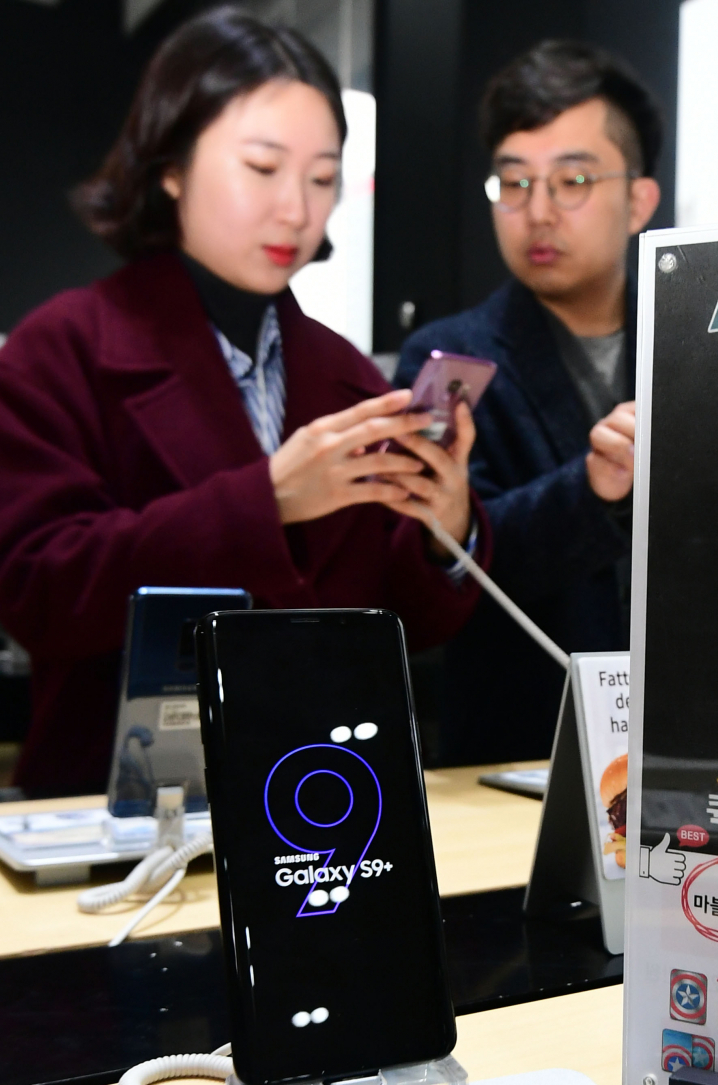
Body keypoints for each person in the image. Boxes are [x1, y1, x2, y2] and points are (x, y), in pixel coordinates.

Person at [0, 8, 488, 798]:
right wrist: (265, 502)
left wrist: (446, 529)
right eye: (262, 168)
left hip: (323, 799)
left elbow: (408, 622)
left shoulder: (346, 374)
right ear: (170, 167)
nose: (296, 209)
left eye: (322, 178)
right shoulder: (62, 348)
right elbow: (37, 592)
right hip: (119, 809)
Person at [397, 40, 661, 764]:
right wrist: (592, 487)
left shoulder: (691, 345)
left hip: (693, 740)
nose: (538, 212)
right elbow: (457, 563)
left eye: (573, 180)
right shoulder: (449, 358)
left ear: (639, 201)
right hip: (520, 751)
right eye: (514, 183)